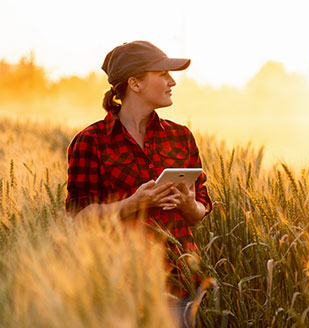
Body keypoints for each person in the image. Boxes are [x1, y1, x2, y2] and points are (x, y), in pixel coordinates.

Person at [65, 40, 212, 327]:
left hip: (179, 284)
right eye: (163, 74)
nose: (173, 82)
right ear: (135, 83)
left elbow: (200, 211)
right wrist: (134, 203)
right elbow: (78, 217)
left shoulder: (181, 137)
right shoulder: (91, 142)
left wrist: (187, 205)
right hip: (119, 288)